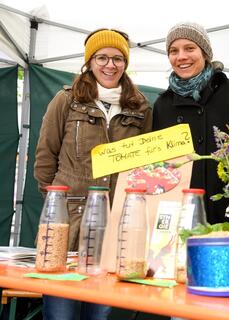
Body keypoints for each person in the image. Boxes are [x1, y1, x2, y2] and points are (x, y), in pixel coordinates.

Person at [34, 28, 152, 320]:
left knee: (100, 315)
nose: (110, 65)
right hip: (68, 223)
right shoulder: (66, 100)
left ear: (125, 63)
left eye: (117, 58)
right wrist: (57, 206)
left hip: (114, 227)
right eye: (102, 57)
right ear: (89, 61)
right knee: (61, 313)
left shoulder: (141, 108)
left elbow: (145, 168)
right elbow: (45, 156)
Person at [152, 22, 229, 224]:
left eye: (189, 48)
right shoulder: (163, 104)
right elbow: (159, 168)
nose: (181, 56)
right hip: (181, 214)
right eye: (174, 51)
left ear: (205, 53)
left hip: (228, 210)